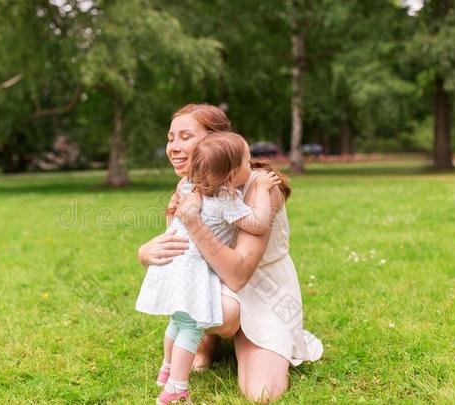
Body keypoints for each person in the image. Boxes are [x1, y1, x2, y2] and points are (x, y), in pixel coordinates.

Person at [138, 103, 323, 403]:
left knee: (262, 393)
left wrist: (194, 223)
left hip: (261, 285)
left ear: (217, 140)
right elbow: (179, 247)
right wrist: (145, 252)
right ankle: (206, 338)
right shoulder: (188, 185)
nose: (174, 147)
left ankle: (223, 332)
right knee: (208, 301)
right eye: (171, 137)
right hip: (215, 280)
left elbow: (238, 275)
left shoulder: (260, 185)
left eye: (185, 136)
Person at [136, 132, 282, 404]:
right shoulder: (226, 199)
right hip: (193, 271)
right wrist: (260, 189)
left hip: (174, 265)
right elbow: (259, 223)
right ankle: (175, 389)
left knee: (177, 322)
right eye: (247, 164)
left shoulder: (188, 187)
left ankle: (166, 370)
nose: (252, 169)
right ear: (229, 176)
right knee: (191, 326)